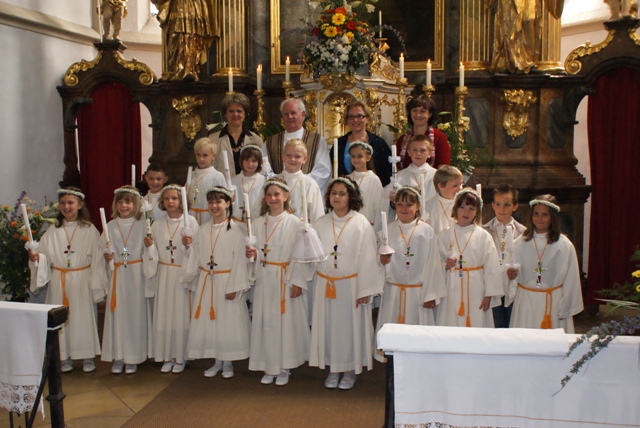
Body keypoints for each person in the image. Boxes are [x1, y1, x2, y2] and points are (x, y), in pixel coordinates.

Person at [293, 177, 383, 390]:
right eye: (333, 193)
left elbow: (368, 257)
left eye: (342, 193)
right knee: (329, 328)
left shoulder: (360, 223)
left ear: (351, 197)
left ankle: (350, 370)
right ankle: (333, 369)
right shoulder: (320, 223)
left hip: (351, 286)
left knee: (348, 329)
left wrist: (365, 289)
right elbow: (310, 255)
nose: (337, 197)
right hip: (325, 285)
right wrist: (305, 238)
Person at [28, 188, 104, 373]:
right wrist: (37, 258)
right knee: (61, 320)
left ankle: (87, 356)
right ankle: (64, 357)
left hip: (81, 279)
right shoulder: (53, 230)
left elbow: (98, 257)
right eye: (63, 203)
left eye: (70, 203)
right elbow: (44, 255)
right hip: (59, 280)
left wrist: (96, 282)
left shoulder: (89, 230)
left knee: (83, 318)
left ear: (80, 205)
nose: (66, 206)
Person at [183, 187, 251, 378]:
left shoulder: (237, 230)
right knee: (211, 323)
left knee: (227, 323)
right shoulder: (203, 229)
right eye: (211, 202)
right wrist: (187, 248)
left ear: (227, 204)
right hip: (208, 282)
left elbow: (240, 260)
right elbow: (196, 255)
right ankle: (217, 361)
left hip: (227, 281)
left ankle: (228, 362)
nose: (214, 206)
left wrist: (234, 287)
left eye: (218, 202)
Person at [246, 178, 308, 386]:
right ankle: (269, 365)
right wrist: (252, 255)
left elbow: (300, 254)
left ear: (286, 196)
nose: (273, 198)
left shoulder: (295, 223)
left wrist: (297, 281)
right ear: (264, 198)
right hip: (265, 278)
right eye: (269, 195)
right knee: (267, 322)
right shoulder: (257, 223)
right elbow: (255, 255)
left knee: (285, 323)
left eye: (277, 194)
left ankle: (284, 367)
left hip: (285, 277)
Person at [375, 186, 446, 362]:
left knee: (417, 339)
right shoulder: (387, 230)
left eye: (409, 204)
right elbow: (377, 262)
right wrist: (381, 260)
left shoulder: (426, 231)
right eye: (400, 204)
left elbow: (433, 264)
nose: (404, 208)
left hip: (418, 293)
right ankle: (392, 369)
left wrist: (430, 294)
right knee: (393, 338)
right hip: (393, 292)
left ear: (418, 206)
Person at [506, 195, 583, 332]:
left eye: (544, 214)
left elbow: (571, 279)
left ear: (553, 217)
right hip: (526, 301)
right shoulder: (520, 243)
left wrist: (565, 306)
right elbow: (510, 272)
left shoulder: (564, 245)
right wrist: (511, 275)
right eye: (536, 213)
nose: (539, 218)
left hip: (552, 301)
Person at [143, 185, 199, 373]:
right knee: (165, 316)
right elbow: (153, 253)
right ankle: (167, 356)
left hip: (182, 273)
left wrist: (188, 246)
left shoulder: (190, 222)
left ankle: (181, 357)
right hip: (165, 273)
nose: (170, 202)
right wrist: (149, 246)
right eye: (166, 199)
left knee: (181, 316)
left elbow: (198, 251)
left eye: (174, 198)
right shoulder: (157, 224)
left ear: (182, 201)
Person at [436, 188, 503, 327]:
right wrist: (445, 265)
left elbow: (492, 267)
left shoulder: (483, 236)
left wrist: (488, 295)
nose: (466, 212)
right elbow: (434, 263)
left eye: (471, 208)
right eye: (462, 207)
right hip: (451, 288)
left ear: (477, 211)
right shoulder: (444, 235)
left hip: (476, 289)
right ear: (455, 208)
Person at [101, 186, 148, 375]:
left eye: (128, 202)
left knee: (135, 316)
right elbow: (101, 249)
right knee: (118, 316)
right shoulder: (110, 226)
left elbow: (150, 251)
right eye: (120, 202)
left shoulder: (143, 225)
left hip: (137, 275)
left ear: (135, 204)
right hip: (119, 275)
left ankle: (134, 357)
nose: (124, 206)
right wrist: (107, 257)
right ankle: (119, 356)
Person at [264, 98, 331, 193]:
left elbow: (323, 171)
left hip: (306, 192)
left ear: (303, 114)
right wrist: (280, 185)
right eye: (285, 114)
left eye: (293, 113)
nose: (289, 117)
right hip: (278, 194)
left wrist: (300, 185)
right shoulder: (270, 142)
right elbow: (264, 169)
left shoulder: (317, 140)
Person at [483, 185, 526, 328]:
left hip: (513, 287)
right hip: (493, 288)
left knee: (513, 325)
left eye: (507, 205)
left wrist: (516, 271)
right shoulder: (484, 231)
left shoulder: (523, 233)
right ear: (492, 205)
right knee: (496, 325)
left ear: (515, 206)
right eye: (498, 204)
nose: (502, 209)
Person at [152, 0, 216, 81]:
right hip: (178, 6)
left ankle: (190, 68)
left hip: (195, 7)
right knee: (178, 36)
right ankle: (179, 69)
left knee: (192, 38)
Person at [333, 101, 392, 187]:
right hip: (345, 190)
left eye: (359, 116)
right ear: (347, 120)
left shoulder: (379, 144)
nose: (355, 120)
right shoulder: (339, 144)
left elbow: (387, 171)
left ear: (367, 118)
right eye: (351, 117)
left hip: (372, 188)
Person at [210, 93, 265, 178]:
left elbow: (261, 169)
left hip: (249, 185)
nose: (235, 114)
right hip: (222, 185)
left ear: (245, 114)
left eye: (239, 111)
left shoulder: (256, 140)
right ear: (225, 114)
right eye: (231, 111)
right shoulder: (213, 139)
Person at [395, 87, 450, 170]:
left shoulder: (439, 138)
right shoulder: (402, 139)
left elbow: (443, 169)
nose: (418, 115)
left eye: (422, 111)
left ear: (430, 114)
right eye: (414, 110)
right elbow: (397, 168)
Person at [278, 139, 325, 224]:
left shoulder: (310, 184)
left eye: (297, 156)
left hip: (301, 229)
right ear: (282, 157)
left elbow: (317, 216)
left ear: (305, 159)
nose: (292, 159)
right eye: (288, 155)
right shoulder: (274, 181)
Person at [395, 134, 438, 221]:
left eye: (422, 150)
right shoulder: (400, 176)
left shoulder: (436, 175)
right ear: (409, 152)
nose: (418, 154)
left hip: (432, 219)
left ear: (429, 153)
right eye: (414, 150)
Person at [346, 141, 385, 231]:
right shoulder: (347, 179)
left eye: (360, 156)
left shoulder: (373, 179)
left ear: (368, 158)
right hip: (349, 224)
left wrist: (374, 226)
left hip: (367, 224)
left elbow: (379, 206)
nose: (356, 159)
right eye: (353, 156)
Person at [187, 137, 226, 225]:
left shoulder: (217, 176)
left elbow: (222, 199)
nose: (201, 159)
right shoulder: (191, 175)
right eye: (198, 155)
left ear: (213, 156)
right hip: (191, 216)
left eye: (205, 155)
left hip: (209, 216)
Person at [230, 145, 266, 224]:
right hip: (237, 222)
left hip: (256, 222)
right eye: (247, 160)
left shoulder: (263, 181)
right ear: (241, 161)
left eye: (254, 161)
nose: (250, 164)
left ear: (259, 162)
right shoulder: (234, 180)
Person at [424, 165, 463, 235]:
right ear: (441, 186)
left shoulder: (462, 204)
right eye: (455, 186)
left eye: (461, 184)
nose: (460, 188)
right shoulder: (428, 206)